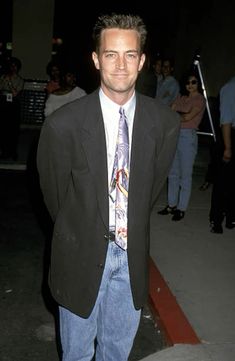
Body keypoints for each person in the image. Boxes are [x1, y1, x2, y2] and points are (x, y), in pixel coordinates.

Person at [37, 13, 180, 361]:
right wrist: (83, 226)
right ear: (96, 58)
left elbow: (150, 189)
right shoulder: (63, 125)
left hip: (130, 259)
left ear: (142, 60)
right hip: (79, 256)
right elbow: (56, 198)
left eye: (129, 54)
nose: (120, 65)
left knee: (116, 353)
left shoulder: (165, 123)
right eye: (111, 54)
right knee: (76, 353)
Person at [158, 70, 206, 220]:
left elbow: (188, 117)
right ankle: (172, 204)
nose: (190, 85)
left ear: (198, 84)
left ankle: (181, 207)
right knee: (172, 173)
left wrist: (176, 113)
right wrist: (178, 114)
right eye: (188, 82)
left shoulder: (199, 100)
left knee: (185, 175)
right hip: (175, 135)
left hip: (188, 137)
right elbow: (173, 112)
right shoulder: (181, 97)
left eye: (194, 82)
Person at [209, 76, 235, 233]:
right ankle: (216, 220)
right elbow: (226, 120)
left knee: (233, 183)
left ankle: (231, 217)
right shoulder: (229, 88)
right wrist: (228, 147)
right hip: (229, 136)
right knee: (222, 183)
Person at [0, 56, 24, 160]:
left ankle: (13, 152)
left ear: (18, 68)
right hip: (3, 103)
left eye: (15, 66)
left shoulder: (20, 80)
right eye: (12, 65)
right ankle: (4, 152)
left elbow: (15, 93)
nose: (13, 68)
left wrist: (9, 82)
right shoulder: (2, 77)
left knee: (13, 130)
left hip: (14, 105)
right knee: (3, 129)